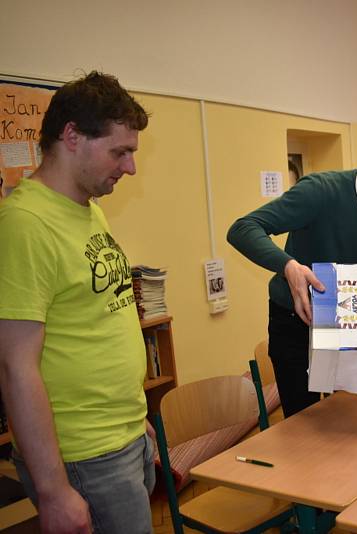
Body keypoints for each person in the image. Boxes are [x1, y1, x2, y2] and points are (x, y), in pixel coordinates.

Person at [0, 72, 154, 533]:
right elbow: (14, 366)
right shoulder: (25, 224)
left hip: (122, 435)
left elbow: (98, 317)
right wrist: (53, 490)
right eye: (119, 152)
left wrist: (133, 414)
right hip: (83, 457)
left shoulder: (89, 208)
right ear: (72, 136)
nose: (129, 168)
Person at [228, 108, 357, 417]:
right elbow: (243, 229)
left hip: (355, 326)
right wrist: (289, 266)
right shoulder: (321, 191)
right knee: (303, 425)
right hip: (298, 323)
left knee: (351, 419)